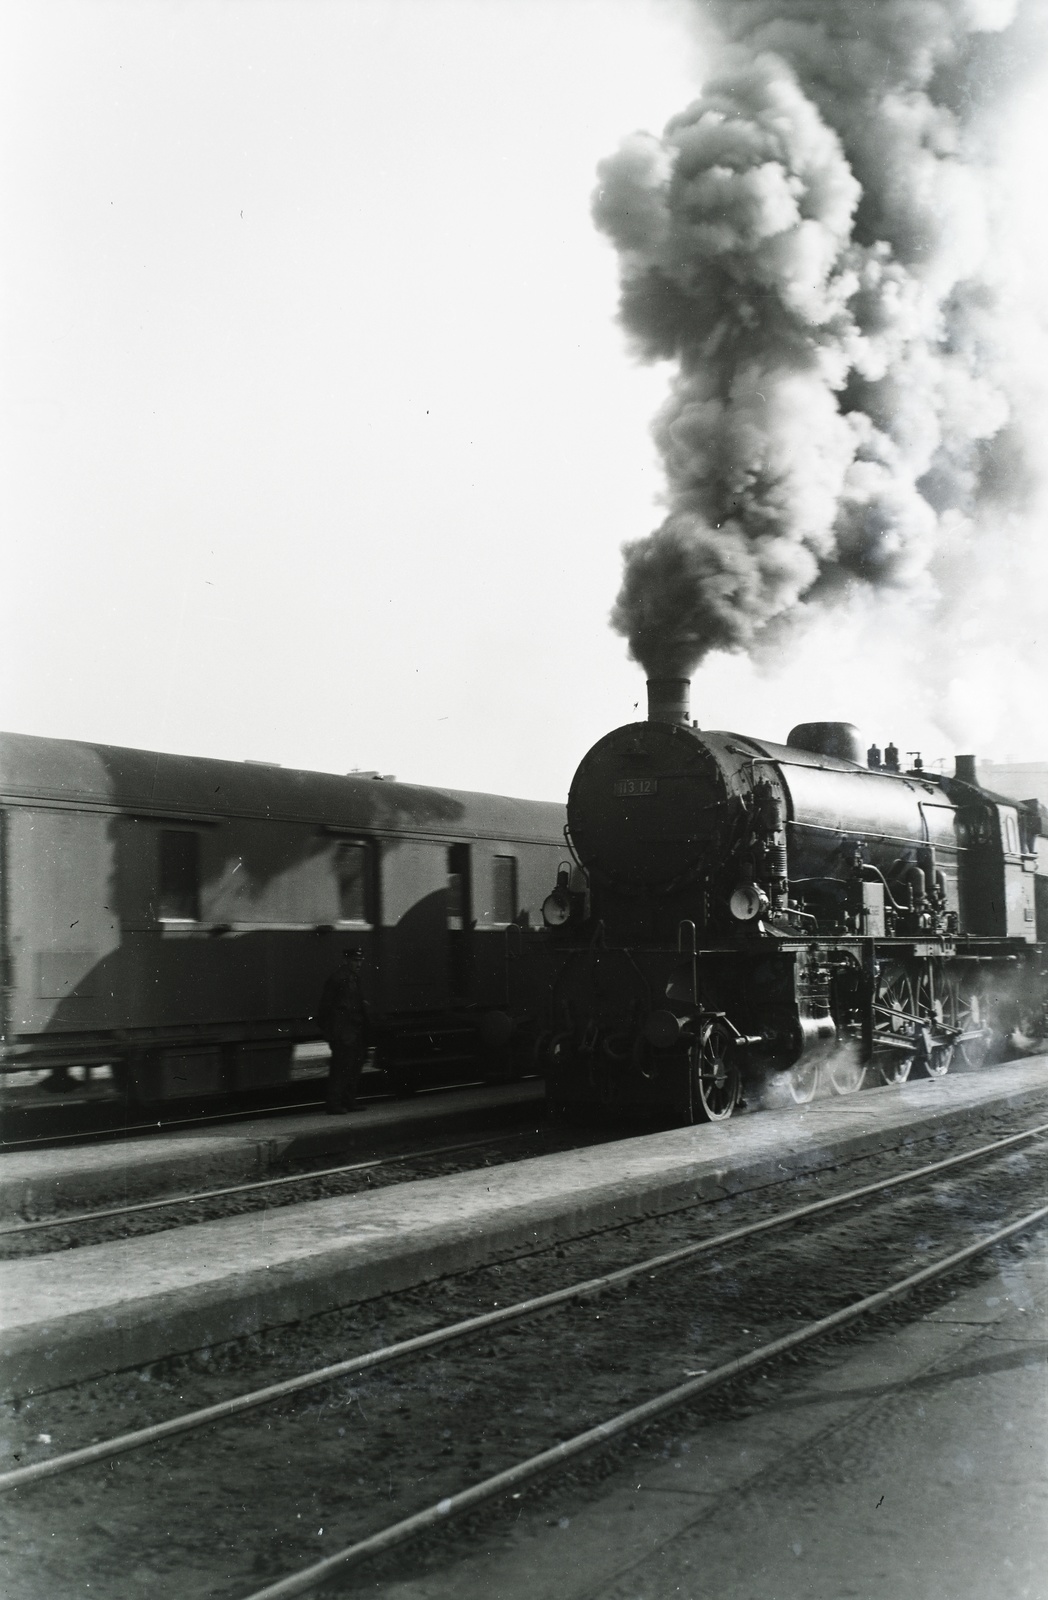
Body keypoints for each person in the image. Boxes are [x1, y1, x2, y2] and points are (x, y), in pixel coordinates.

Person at [317, 948, 370, 1114]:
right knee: (341, 1068)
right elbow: (324, 1008)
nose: (359, 964)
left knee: (353, 1067)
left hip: (354, 1030)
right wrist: (332, 1033)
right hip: (343, 1031)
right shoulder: (338, 979)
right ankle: (333, 1104)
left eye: (361, 960)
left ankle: (349, 1101)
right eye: (355, 960)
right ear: (346, 960)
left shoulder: (353, 978)